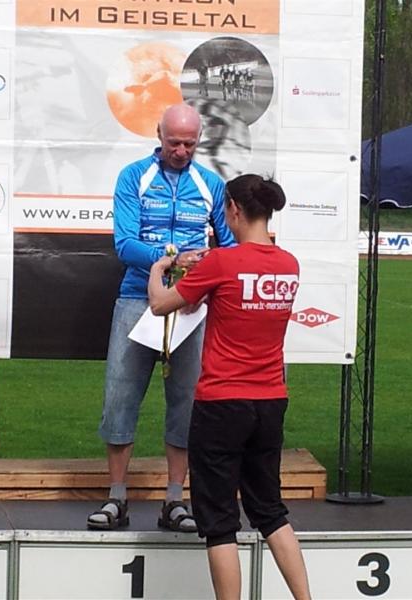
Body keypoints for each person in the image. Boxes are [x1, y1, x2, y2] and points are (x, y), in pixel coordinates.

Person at [147, 174, 310, 600]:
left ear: (234, 209)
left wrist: (160, 269)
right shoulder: (289, 264)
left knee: (219, 522)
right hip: (270, 400)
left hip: (221, 402)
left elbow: (161, 304)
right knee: (270, 511)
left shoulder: (222, 262)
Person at [89, 103, 235, 532]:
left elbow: (228, 246)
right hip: (138, 298)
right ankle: (117, 497)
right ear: (158, 134)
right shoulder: (134, 176)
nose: (181, 151)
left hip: (192, 307)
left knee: (187, 403)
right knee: (120, 398)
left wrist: (200, 280)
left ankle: (175, 500)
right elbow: (124, 243)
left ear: (199, 140)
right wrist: (173, 259)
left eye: (190, 143)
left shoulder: (211, 184)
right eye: (174, 142)